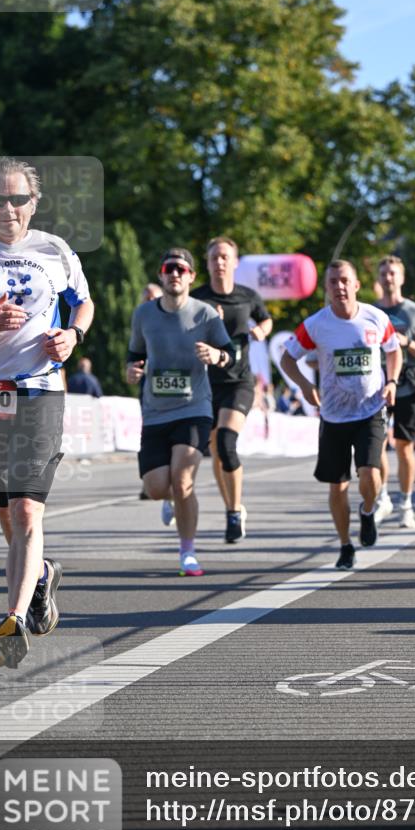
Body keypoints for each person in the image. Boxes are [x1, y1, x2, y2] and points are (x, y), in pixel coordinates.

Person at [0, 156, 94, 666]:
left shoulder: (55, 250)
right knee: (4, 509)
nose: (7, 209)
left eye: (17, 199)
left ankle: (13, 620)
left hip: (39, 391)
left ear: (33, 203)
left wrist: (73, 335)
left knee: (26, 508)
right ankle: (40, 575)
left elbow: (84, 302)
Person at [281, 259, 401, 570]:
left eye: (345, 280)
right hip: (333, 415)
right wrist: (306, 386)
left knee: (370, 473)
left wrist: (391, 381)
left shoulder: (376, 317)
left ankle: (368, 510)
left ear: (357, 285)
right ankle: (346, 545)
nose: (340, 287)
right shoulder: (316, 325)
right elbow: (287, 359)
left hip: (370, 409)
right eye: (333, 282)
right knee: (338, 485)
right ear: (327, 289)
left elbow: (393, 350)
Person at [126, 247, 235, 576]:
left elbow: (230, 354)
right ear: (161, 274)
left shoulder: (205, 315)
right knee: (158, 486)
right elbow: (134, 356)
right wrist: (131, 372)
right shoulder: (143, 314)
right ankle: (170, 500)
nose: (174, 273)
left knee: (184, 479)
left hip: (194, 408)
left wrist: (216, 356)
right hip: (156, 411)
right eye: (168, 268)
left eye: (181, 269)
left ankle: (187, 552)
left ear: (191, 277)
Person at [191, 237, 272, 543]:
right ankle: (230, 506)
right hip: (205, 383)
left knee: (226, 441)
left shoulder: (247, 296)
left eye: (225, 257)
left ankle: (235, 511)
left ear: (235, 262)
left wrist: (261, 330)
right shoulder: (197, 298)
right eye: (214, 258)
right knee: (215, 449)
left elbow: (266, 319)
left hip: (238, 381)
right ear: (208, 262)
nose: (220, 262)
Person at [374, 256, 415, 528]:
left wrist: (406, 342)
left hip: (409, 385)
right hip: (376, 388)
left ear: (402, 277)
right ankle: (383, 497)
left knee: (405, 448)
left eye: (393, 273)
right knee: (377, 447)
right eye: (384, 273)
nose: (388, 278)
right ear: (378, 278)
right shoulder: (369, 312)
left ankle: (406, 503)